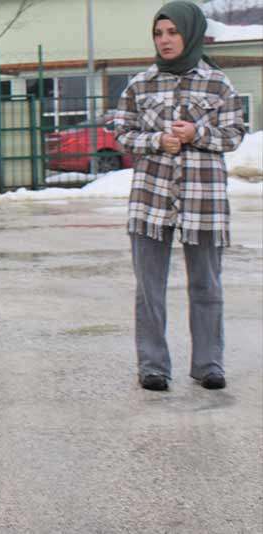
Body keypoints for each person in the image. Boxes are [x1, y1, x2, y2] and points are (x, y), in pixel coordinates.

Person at [114, 1, 245, 392]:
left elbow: (234, 134)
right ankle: (153, 366)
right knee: (149, 289)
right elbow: (122, 132)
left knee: (207, 286)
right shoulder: (140, 84)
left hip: (204, 202)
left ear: (191, 34)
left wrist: (196, 135)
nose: (165, 40)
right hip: (150, 201)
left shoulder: (219, 84)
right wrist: (157, 140)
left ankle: (208, 365)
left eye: (173, 32)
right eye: (159, 33)